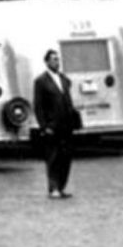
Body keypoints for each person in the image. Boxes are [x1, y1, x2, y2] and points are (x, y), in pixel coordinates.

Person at [32, 46, 81, 198]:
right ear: (47, 62)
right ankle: (53, 188)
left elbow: (68, 100)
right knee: (53, 157)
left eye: (58, 59)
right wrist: (44, 126)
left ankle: (61, 186)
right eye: (54, 59)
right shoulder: (41, 81)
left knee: (66, 157)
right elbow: (38, 106)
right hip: (52, 126)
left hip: (66, 125)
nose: (57, 62)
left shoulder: (64, 79)